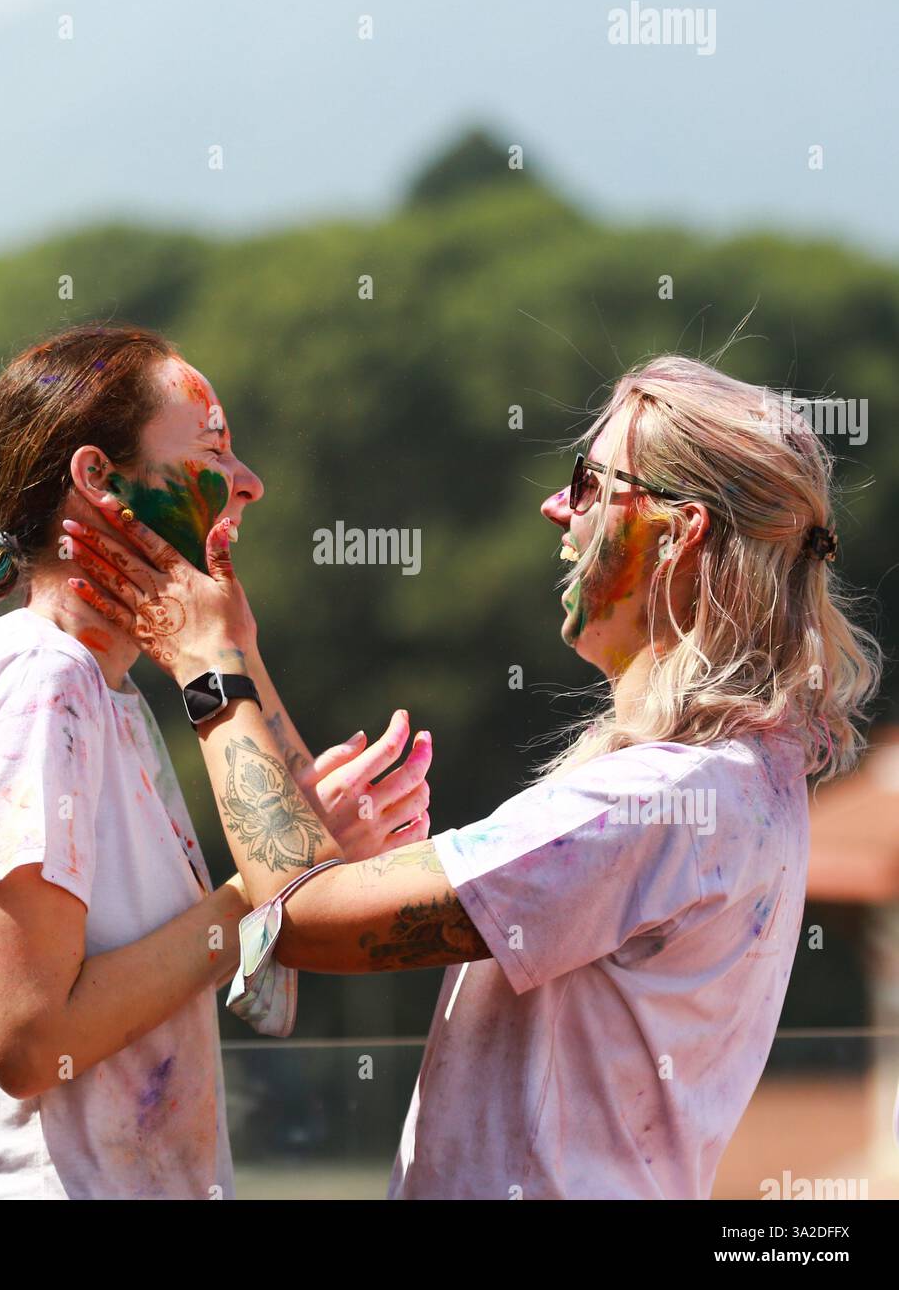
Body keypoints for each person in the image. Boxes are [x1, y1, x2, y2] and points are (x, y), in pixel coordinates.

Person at [67, 354, 881, 1200]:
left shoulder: (655, 801)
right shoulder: (738, 782)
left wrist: (212, 672)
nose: (556, 506)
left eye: (591, 482)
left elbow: (304, 920)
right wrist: (241, 650)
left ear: (683, 531)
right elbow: (309, 892)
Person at [0, 323, 430, 1200]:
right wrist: (253, 893)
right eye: (215, 448)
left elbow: (264, 994)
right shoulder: (39, 684)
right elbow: (29, 1042)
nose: (250, 482)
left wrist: (240, 657)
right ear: (96, 478)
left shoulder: (102, 698)